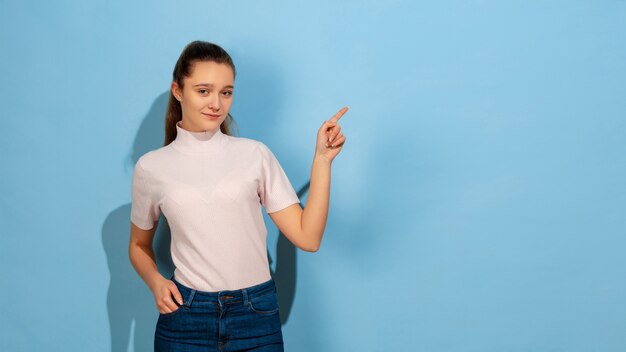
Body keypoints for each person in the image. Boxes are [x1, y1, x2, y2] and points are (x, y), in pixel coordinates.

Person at [128, 40, 348, 351]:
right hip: (185, 319)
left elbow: (307, 238)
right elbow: (138, 245)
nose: (216, 103)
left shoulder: (254, 155)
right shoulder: (151, 167)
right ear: (178, 90)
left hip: (255, 314)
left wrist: (323, 161)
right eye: (203, 91)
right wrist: (156, 282)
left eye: (226, 92)